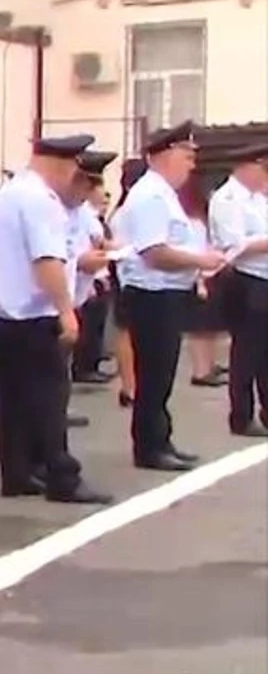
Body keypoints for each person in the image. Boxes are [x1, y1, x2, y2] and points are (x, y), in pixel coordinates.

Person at [0, 133, 114, 504]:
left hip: (5, 313)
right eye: (74, 166)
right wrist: (66, 310)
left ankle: (19, 472)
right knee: (50, 397)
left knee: (13, 399)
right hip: (36, 314)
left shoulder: (6, 196)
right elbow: (46, 260)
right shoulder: (40, 201)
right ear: (61, 164)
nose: (76, 175)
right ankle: (61, 475)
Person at [111, 121, 223, 471]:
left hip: (168, 294)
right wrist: (199, 260)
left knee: (161, 374)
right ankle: (149, 447)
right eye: (186, 156)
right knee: (154, 375)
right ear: (166, 155)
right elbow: (154, 252)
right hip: (152, 295)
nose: (191, 165)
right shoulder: (150, 196)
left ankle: (160, 439)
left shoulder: (163, 194)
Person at [209, 143, 268, 436]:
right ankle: (241, 416)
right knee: (247, 351)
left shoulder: (257, 198)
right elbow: (234, 245)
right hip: (244, 280)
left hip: (264, 279)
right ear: (248, 166)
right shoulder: (228, 199)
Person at [59, 149, 118, 431]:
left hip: (79, 290)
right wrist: (83, 262)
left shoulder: (82, 212)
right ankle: (56, 409)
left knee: (64, 358)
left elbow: (97, 240)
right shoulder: (56, 208)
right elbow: (58, 254)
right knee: (53, 361)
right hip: (58, 296)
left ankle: (60, 406)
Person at [179, 177, 228, 389]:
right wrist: (200, 281)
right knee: (200, 327)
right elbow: (196, 251)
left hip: (207, 274)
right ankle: (201, 370)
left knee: (208, 327)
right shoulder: (193, 222)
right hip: (201, 276)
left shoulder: (197, 219)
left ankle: (208, 365)